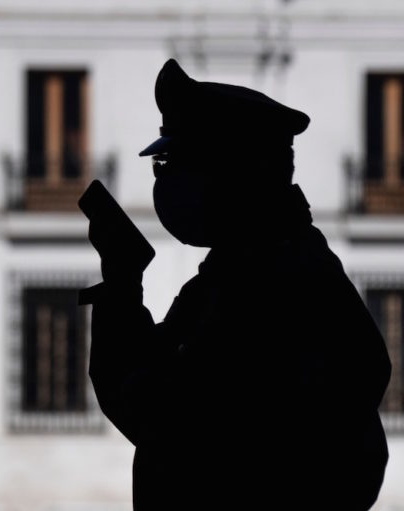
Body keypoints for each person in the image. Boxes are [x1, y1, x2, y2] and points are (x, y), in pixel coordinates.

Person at [85, 58, 391, 510]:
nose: (165, 180)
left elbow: (153, 410)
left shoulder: (272, 285)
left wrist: (122, 286)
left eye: (175, 162)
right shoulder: (242, 271)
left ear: (234, 174)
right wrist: (122, 281)